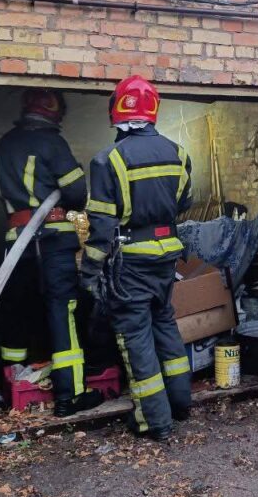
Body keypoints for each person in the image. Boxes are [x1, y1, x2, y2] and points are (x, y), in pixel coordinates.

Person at [80, 76, 193, 441]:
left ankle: (154, 421)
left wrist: (89, 271)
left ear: (117, 110)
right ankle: (181, 403)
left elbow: (101, 226)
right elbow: (184, 202)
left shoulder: (108, 159)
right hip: (166, 255)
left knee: (136, 336)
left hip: (130, 262)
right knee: (165, 324)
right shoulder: (179, 153)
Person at [0, 88, 103, 417]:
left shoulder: (2, 145)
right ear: (56, 112)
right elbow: (77, 193)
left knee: (17, 308)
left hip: (16, 240)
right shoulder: (52, 142)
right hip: (52, 239)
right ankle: (71, 394)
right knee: (63, 309)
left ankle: (11, 386)